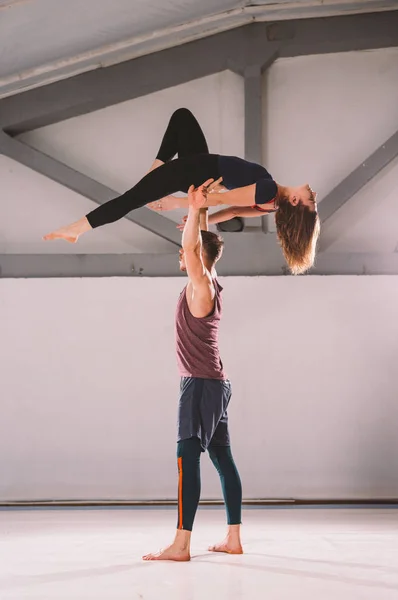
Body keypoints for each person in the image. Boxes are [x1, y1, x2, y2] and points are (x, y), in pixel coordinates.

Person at [44, 108, 320, 274]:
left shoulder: (268, 191)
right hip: (201, 164)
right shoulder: (270, 204)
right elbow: (233, 210)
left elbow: (220, 197)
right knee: (182, 118)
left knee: (131, 200)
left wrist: (179, 204)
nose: (313, 194)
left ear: (295, 201)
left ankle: (77, 229)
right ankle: (154, 170)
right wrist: (204, 219)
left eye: (311, 200)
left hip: (192, 173)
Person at [142, 181, 243, 562]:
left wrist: (191, 204)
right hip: (215, 383)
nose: (180, 257)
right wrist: (198, 209)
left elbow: (191, 246)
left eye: (185, 254)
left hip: (200, 384)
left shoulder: (200, 285)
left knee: (188, 459)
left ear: (197, 257)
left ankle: (181, 544)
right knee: (222, 459)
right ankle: (233, 538)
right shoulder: (211, 282)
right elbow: (196, 241)